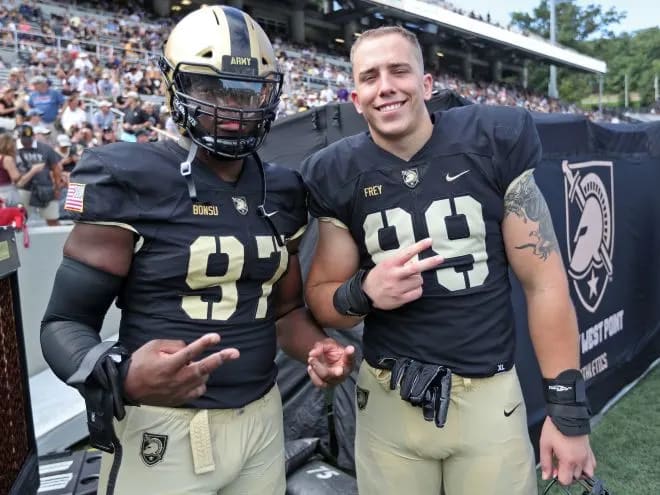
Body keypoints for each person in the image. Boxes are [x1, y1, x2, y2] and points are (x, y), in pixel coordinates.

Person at [40, 6, 354, 495]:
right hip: (164, 429)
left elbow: (285, 310)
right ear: (174, 85)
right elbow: (63, 325)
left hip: (262, 419)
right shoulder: (128, 174)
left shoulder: (283, 189)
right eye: (210, 88)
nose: (229, 105)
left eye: (245, 90)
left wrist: (316, 347)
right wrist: (123, 377)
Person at [301, 26, 596, 495]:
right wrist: (365, 292)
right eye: (371, 76)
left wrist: (568, 413)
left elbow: (545, 283)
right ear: (356, 98)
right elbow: (320, 298)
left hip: (488, 398)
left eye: (399, 70)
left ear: (427, 83)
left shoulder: (491, 140)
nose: (387, 86)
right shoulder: (337, 171)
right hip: (388, 399)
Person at [10, 124, 62, 225]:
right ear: (19, 137)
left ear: (33, 136)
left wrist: (57, 187)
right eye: (24, 138)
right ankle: (21, 240)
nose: (27, 141)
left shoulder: (45, 148)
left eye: (29, 138)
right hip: (23, 189)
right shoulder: (13, 150)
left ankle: (57, 240)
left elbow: (56, 168)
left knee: (52, 219)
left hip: (45, 187)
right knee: (19, 220)